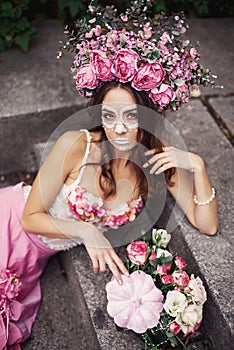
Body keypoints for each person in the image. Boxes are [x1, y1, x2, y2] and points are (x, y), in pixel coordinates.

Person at [0, 1, 218, 348]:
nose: (118, 127)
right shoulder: (76, 143)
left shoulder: (157, 163)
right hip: (9, 223)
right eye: (109, 114)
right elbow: (29, 217)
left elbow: (206, 223)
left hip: (35, 257)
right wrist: (86, 230)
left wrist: (198, 166)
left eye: (131, 117)